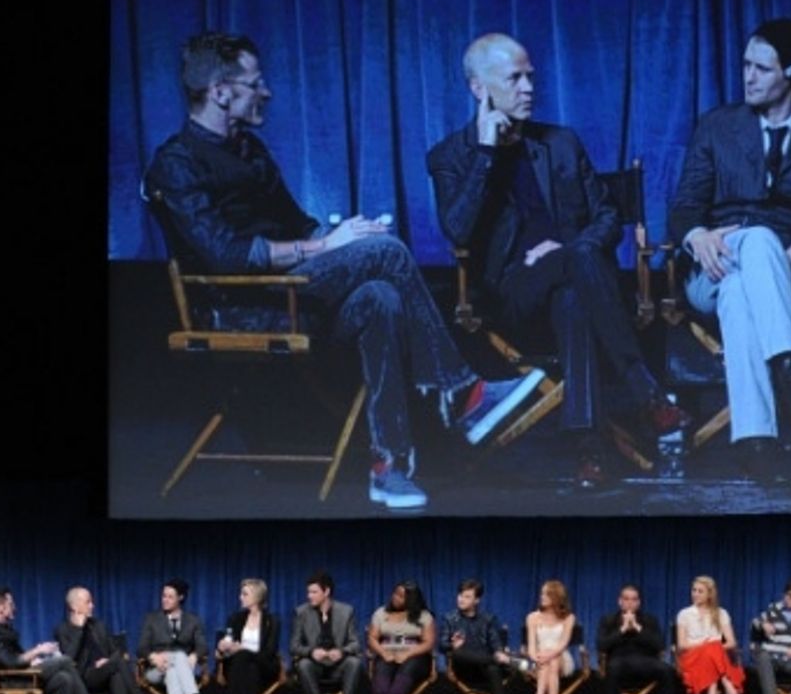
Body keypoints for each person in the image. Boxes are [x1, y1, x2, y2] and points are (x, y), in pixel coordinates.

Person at [143, 31, 544, 511]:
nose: (266, 91)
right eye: (256, 83)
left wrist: (351, 234)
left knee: (381, 295)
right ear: (221, 92)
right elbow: (226, 256)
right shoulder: (176, 163)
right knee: (389, 255)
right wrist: (327, 246)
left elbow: (298, 223)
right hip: (238, 306)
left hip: (288, 293)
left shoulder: (251, 150)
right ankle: (462, 391)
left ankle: (388, 467)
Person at [428, 32, 690, 488]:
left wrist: (570, 251)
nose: (529, 88)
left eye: (531, 77)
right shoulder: (451, 157)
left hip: (583, 290)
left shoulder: (561, 143)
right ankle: (647, 394)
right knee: (576, 265)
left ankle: (589, 451)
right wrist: (487, 154)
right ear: (479, 88)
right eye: (515, 79)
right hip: (512, 296)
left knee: (573, 293)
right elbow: (458, 231)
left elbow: (607, 215)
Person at [668, 18, 791, 481]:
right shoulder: (717, 126)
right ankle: (789, 365)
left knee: (743, 295)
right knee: (755, 239)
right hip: (713, 267)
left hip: (778, 279)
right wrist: (696, 235)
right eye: (745, 65)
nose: (748, 77)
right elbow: (683, 207)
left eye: (761, 68)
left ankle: (756, 442)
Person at [53, 585, 159, 694]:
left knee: (116, 669)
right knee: (116, 665)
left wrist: (107, 661)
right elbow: (69, 658)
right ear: (74, 606)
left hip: (105, 673)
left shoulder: (98, 625)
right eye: (88, 602)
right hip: (81, 680)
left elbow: (114, 651)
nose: (92, 605)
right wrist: (79, 629)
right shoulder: (63, 630)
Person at [137, 577, 214, 694]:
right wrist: (153, 657)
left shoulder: (193, 620)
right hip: (155, 670)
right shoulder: (152, 619)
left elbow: (203, 646)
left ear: (181, 598)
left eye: (170, 596)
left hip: (181, 670)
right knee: (179, 655)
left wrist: (194, 655)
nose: (165, 599)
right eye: (164, 595)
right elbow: (141, 648)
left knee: (173, 671)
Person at [290, 570, 363, 694]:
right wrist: (311, 652)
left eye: (314, 592)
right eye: (308, 592)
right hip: (315, 665)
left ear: (326, 591)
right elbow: (294, 646)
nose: (309, 596)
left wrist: (342, 651)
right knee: (303, 664)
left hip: (338, 665)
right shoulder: (301, 613)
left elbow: (356, 644)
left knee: (355, 662)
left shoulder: (346, 611)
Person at [597, 583, 676, 694]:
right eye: (626, 599)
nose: (630, 603)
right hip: (619, 662)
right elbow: (601, 645)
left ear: (638, 603)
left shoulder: (649, 620)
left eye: (634, 599)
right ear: (619, 601)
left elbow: (659, 645)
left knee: (667, 669)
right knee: (612, 667)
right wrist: (622, 629)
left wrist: (638, 628)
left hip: (646, 663)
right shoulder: (608, 620)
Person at [440, 577, 513, 694]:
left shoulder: (488, 620)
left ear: (477, 600)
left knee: (493, 668)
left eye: (467, 596)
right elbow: (442, 646)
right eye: (460, 595)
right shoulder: (449, 618)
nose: (461, 599)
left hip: (485, 670)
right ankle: (510, 662)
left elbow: (496, 644)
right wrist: (452, 645)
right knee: (458, 653)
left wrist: (499, 652)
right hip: (463, 669)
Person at [675, 575, 746, 694]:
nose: (695, 594)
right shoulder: (684, 614)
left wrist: (713, 646)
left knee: (712, 652)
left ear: (709, 594)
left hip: (714, 661)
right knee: (712, 646)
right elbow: (681, 645)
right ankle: (728, 687)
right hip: (692, 659)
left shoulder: (721, 613)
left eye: (700, 591)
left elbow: (732, 643)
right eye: (694, 590)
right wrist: (705, 645)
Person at [214, 578, 280, 694]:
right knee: (249, 669)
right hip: (241, 669)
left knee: (244, 657)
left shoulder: (272, 621)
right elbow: (229, 643)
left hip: (264, 666)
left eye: (244, 594)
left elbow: (270, 652)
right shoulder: (236, 619)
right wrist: (222, 647)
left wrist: (243, 649)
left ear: (257, 597)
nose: (240, 597)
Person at [366, 580, 435, 694]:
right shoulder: (381, 613)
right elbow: (372, 638)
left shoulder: (424, 616)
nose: (395, 598)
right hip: (387, 653)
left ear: (411, 600)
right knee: (382, 666)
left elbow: (428, 643)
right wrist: (384, 652)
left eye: (401, 596)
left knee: (410, 665)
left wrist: (407, 653)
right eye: (395, 594)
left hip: (416, 656)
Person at [521, 580, 577, 694]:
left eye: (546, 594)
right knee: (549, 663)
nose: (541, 597)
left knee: (552, 658)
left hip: (561, 658)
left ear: (556, 597)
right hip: (538, 660)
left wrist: (547, 655)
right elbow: (531, 647)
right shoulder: (532, 617)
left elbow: (563, 644)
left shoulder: (569, 618)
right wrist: (536, 657)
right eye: (542, 593)